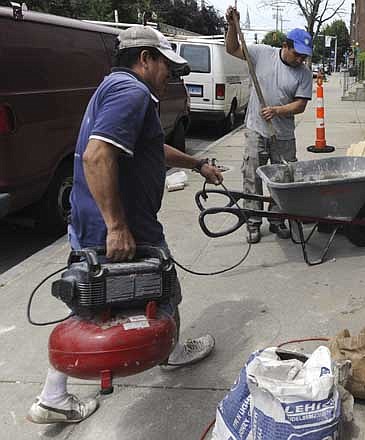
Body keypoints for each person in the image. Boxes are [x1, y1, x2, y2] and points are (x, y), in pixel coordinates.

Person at [27, 26, 224, 424]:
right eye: (167, 64)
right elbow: (97, 157)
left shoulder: (117, 89)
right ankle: (165, 354)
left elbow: (150, 147)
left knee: (91, 300)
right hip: (121, 227)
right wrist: (117, 226)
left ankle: (55, 394)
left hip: (99, 222)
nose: (171, 73)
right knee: (155, 288)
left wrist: (197, 164)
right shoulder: (131, 93)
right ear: (146, 58)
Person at [225, 6, 313, 243]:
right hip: (256, 129)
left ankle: (276, 220)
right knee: (252, 176)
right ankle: (253, 222)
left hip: (284, 136)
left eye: (304, 56)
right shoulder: (262, 53)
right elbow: (232, 48)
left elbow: (300, 105)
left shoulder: (304, 74)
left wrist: (277, 111)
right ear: (285, 46)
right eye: (298, 54)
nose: (301, 59)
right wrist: (233, 25)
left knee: (282, 178)